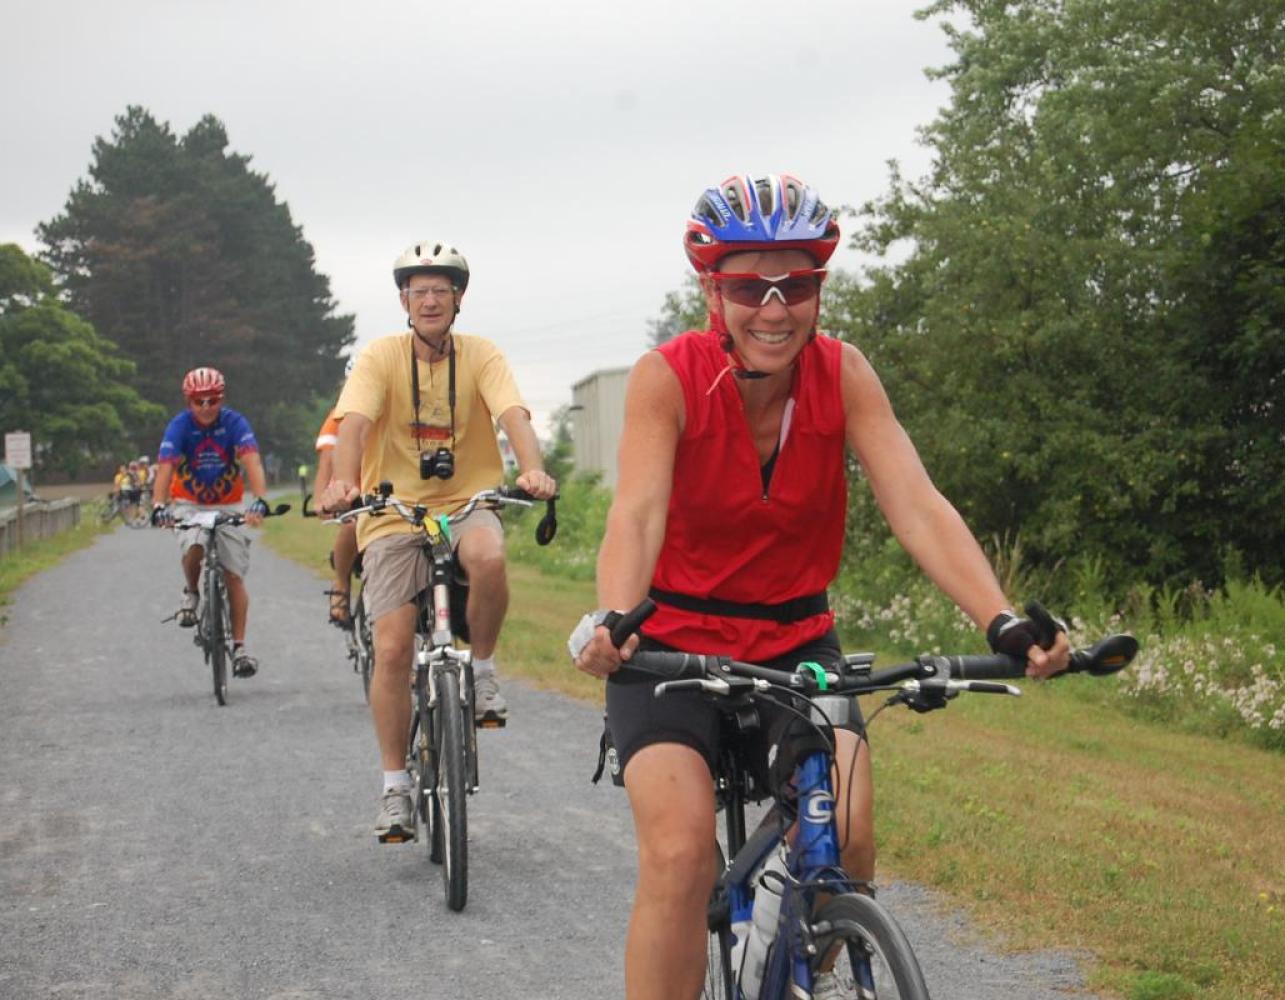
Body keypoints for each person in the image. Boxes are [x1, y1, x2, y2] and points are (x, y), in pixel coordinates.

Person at [569, 173, 1073, 1000]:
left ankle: (795, 959)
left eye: (795, 285)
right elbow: (637, 512)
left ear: (818, 288)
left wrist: (1002, 620)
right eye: (749, 287)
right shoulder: (669, 378)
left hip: (797, 642)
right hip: (670, 649)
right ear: (711, 289)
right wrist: (616, 617)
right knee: (680, 852)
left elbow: (916, 504)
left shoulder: (843, 375)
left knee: (850, 839)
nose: (774, 309)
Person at [319, 240, 556, 844]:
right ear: (403, 300)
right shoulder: (379, 356)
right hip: (394, 511)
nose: (430, 299)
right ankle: (396, 786)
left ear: (458, 300)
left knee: (489, 556)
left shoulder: (482, 354)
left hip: (468, 500)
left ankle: (481, 669)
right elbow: (355, 426)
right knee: (394, 648)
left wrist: (532, 468)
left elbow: (513, 417)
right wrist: (345, 481)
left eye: (441, 290)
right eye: (419, 290)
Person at [150, 366, 273, 678]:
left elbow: (252, 461)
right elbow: (165, 467)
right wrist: (158, 505)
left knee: (233, 575)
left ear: (222, 398)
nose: (205, 408)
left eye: (212, 400)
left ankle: (240, 647)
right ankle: (191, 591)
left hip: (228, 502)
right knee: (194, 544)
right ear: (188, 402)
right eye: (198, 401)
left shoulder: (234, 423)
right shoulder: (179, 426)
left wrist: (259, 499)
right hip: (189, 502)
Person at [314, 357, 359, 626]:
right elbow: (326, 461)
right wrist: (321, 501)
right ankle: (341, 581)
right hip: (350, 491)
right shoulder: (337, 417)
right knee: (353, 527)